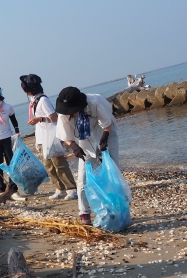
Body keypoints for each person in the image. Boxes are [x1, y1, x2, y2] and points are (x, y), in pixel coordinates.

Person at [55, 86, 120, 224]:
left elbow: (107, 123)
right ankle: (84, 213)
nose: (70, 114)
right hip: (83, 137)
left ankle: (114, 207)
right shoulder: (63, 113)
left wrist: (105, 136)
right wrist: (74, 146)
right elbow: (65, 135)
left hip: (106, 131)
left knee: (112, 170)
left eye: (72, 111)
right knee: (83, 177)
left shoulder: (95, 102)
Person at [20, 74, 77, 200]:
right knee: (49, 166)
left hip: (51, 138)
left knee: (59, 164)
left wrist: (40, 119)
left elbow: (55, 117)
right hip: (42, 138)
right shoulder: (34, 101)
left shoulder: (43, 100)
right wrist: (37, 139)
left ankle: (71, 189)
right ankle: (59, 189)